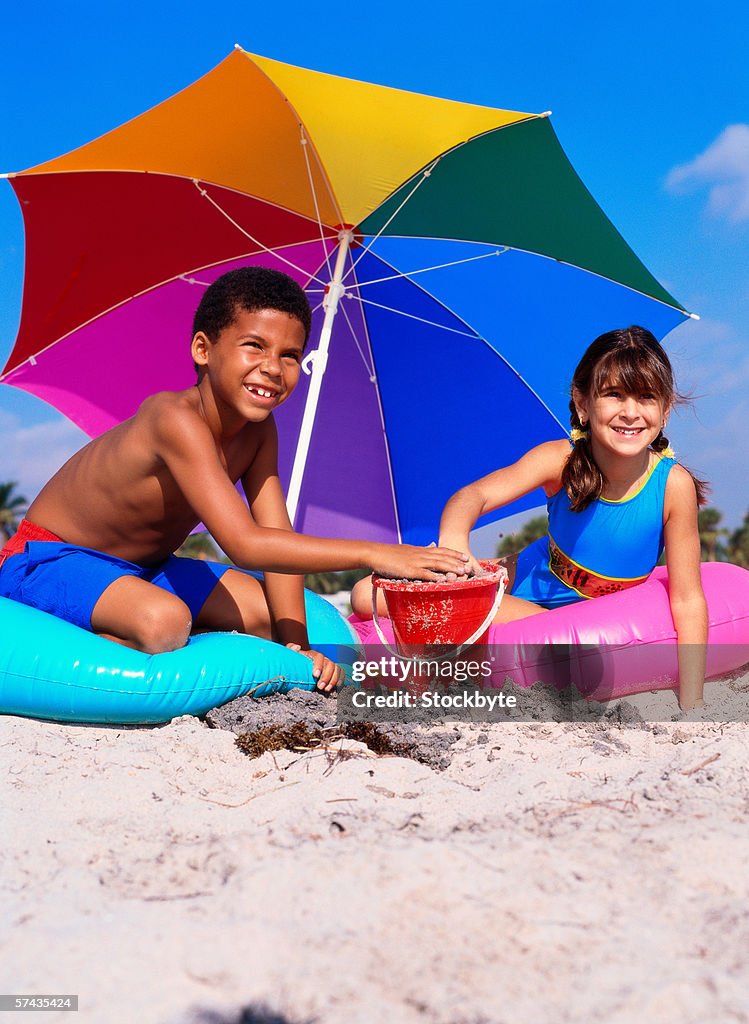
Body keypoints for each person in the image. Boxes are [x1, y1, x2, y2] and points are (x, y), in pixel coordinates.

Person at [0, 267, 469, 692]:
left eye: (290, 355)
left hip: (147, 568)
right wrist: (376, 552)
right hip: (48, 558)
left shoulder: (260, 433)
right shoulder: (172, 418)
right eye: (255, 346)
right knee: (165, 621)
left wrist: (296, 645)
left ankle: (137, 620)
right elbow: (244, 544)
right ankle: (77, 646)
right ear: (203, 349)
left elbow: (276, 534)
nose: (273, 367)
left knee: (271, 613)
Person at [353, 326, 708, 710]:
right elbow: (472, 495)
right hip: (525, 580)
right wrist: (455, 543)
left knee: (554, 638)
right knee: (362, 594)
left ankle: (517, 631)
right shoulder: (562, 461)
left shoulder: (672, 486)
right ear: (583, 403)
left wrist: (693, 703)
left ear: (666, 409)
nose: (630, 412)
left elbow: (688, 598)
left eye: (646, 397)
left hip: (582, 617)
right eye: (614, 394)